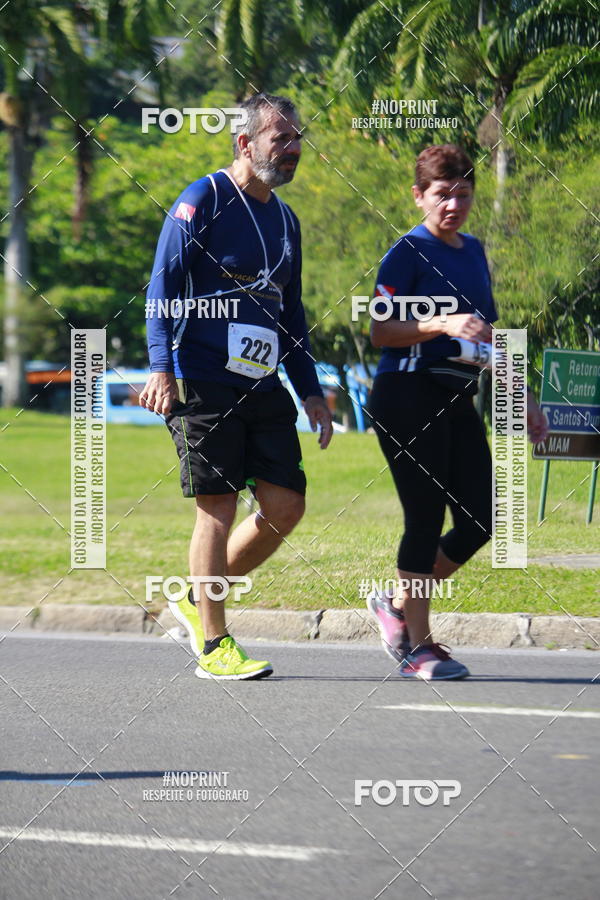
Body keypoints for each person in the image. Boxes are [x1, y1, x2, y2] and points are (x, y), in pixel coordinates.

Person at [140, 93, 333, 680]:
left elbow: (290, 314)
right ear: (246, 143)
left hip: (263, 380)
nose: (295, 148)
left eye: (298, 138)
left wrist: (313, 391)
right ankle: (215, 644)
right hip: (200, 377)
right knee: (218, 508)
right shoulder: (204, 199)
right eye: (283, 138)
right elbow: (161, 288)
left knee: (286, 505)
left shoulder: (286, 219)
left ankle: (200, 602)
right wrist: (159, 366)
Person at [366, 144, 548, 680]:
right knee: (424, 517)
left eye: (463, 194)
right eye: (442, 194)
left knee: (485, 517)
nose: (453, 204)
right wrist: (442, 324)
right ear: (419, 196)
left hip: (455, 398)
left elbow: (489, 336)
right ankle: (416, 647)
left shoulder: (473, 252)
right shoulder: (407, 252)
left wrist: (525, 396)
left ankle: (398, 609)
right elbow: (380, 332)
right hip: (405, 397)